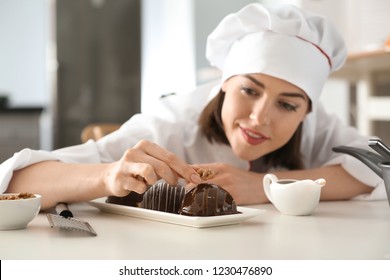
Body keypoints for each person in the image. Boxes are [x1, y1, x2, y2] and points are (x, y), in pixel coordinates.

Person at [0, 3, 386, 210]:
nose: (260, 118)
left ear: (306, 112)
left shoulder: (318, 129)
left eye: (287, 105)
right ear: (222, 85)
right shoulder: (170, 124)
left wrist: (267, 187)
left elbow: (380, 167)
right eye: (249, 91)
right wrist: (106, 176)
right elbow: (15, 182)